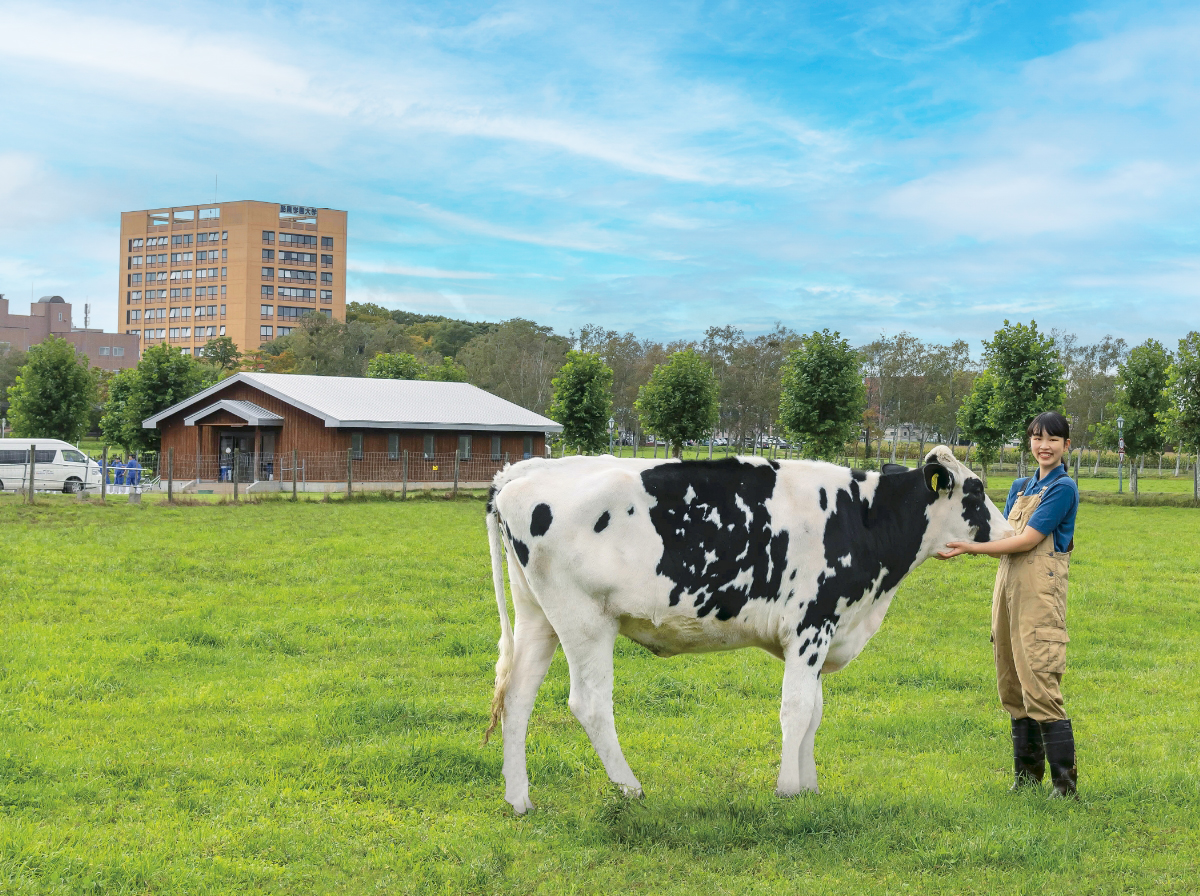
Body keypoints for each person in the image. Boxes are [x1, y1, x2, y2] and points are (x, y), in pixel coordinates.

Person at [938, 411, 1080, 798]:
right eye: (1036, 438)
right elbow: (997, 530)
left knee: (1039, 675)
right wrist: (952, 538)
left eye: (1052, 439)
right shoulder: (1019, 486)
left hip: (1040, 593)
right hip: (1007, 590)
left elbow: (1025, 540)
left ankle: (1064, 787)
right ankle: (1026, 778)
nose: (1043, 446)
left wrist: (971, 548)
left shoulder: (1063, 488)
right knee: (1011, 678)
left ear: (1066, 446)